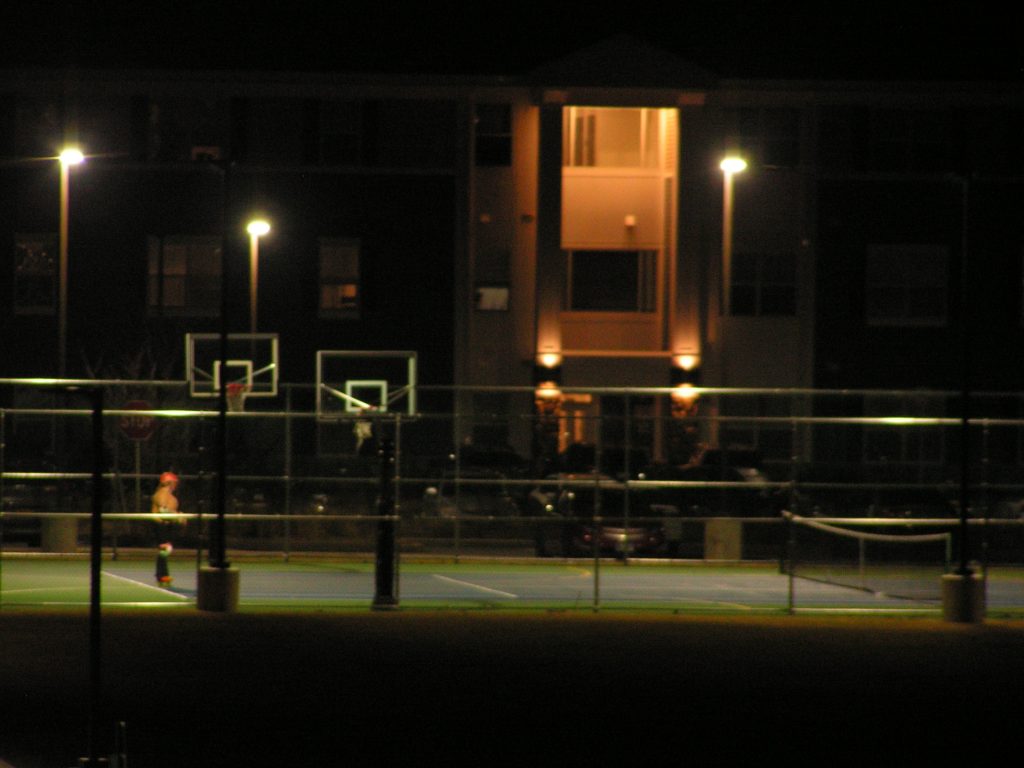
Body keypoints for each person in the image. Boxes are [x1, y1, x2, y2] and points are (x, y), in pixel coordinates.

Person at [151, 471, 185, 587]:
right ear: (169, 482)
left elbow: (171, 512)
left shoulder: (173, 498)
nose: (176, 485)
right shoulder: (162, 493)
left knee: (167, 548)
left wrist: (180, 518)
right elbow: (163, 510)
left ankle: (162, 574)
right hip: (160, 524)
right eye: (174, 482)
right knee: (164, 548)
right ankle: (162, 574)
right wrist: (177, 516)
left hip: (168, 525)